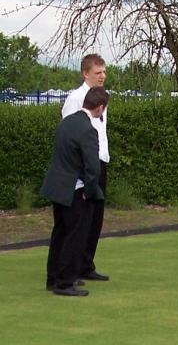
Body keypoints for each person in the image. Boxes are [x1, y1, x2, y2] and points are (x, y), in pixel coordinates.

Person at [42, 87, 109, 296]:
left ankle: (53, 278)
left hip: (57, 188)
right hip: (75, 189)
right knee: (75, 236)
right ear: (100, 108)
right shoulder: (88, 129)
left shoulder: (66, 122)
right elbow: (92, 168)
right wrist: (89, 192)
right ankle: (65, 282)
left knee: (60, 233)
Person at [61, 53, 110, 281]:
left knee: (95, 219)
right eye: (97, 72)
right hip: (82, 168)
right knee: (80, 220)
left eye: (104, 72)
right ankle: (72, 267)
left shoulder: (102, 98)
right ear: (85, 73)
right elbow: (70, 133)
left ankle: (85, 265)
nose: (102, 76)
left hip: (100, 162)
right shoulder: (75, 99)